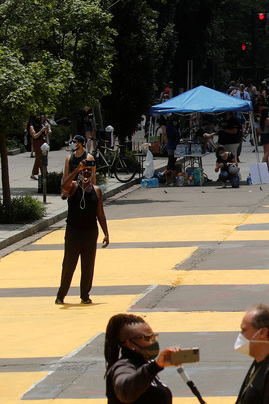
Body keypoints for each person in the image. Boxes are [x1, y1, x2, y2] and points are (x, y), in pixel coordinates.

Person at [56, 160, 109, 304]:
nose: (86, 173)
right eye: (83, 172)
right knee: (69, 264)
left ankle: (85, 294)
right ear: (79, 174)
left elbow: (100, 213)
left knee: (88, 265)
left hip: (90, 232)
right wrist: (77, 169)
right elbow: (64, 186)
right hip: (74, 232)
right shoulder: (73, 187)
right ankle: (61, 295)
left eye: (88, 172)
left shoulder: (96, 190)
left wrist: (106, 233)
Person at [104, 314, 181, 404]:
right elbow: (125, 391)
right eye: (147, 338)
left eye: (153, 337)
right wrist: (155, 366)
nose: (153, 342)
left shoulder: (144, 364)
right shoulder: (123, 366)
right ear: (130, 344)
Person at [29, 115, 51, 179]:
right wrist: (41, 130)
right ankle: (44, 173)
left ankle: (33, 173)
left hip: (43, 142)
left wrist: (46, 130)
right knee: (40, 158)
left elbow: (46, 134)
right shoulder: (32, 127)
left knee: (39, 158)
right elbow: (35, 136)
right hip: (37, 143)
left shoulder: (41, 125)